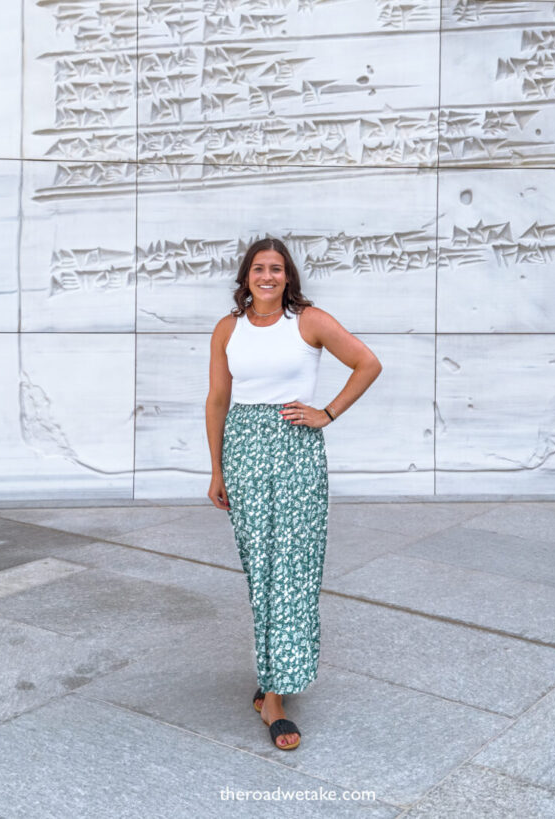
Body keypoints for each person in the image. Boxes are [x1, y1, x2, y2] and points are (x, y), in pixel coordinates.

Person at [205, 236, 382, 751]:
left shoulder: (308, 321)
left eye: (276, 269)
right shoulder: (227, 329)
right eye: (258, 268)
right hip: (243, 451)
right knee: (262, 570)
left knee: (294, 569)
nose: (267, 276)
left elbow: (367, 363)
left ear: (288, 276)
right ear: (246, 277)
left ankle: (276, 690)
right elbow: (217, 400)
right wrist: (217, 469)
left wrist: (326, 413)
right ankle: (271, 685)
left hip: (296, 451)